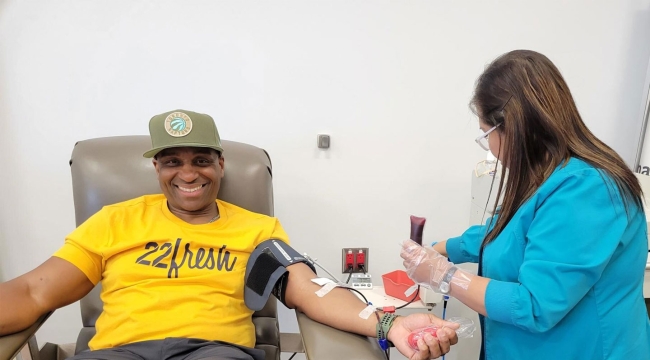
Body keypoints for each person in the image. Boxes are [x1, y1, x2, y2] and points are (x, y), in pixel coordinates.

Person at [0, 109, 458, 360]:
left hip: (213, 354)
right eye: (172, 161)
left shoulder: (258, 228)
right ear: (156, 168)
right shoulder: (114, 220)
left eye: (200, 159)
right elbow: (32, 291)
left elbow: (310, 292)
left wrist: (390, 323)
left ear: (220, 165)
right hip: (119, 353)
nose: (187, 173)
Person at [401, 50, 650, 360]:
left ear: (514, 126)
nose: (489, 148)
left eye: (485, 134)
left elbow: (535, 304)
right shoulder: (549, 176)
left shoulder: (588, 189)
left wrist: (445, 276)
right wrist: (440, 249)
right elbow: (511, 234)